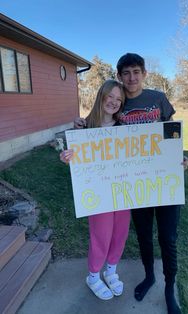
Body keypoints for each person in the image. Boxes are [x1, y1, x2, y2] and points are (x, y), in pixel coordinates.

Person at [75, 53, 188, 314]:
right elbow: (99, 128)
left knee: (168, 238)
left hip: (163, 180)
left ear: (144, 73)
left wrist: (178, 155)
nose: (131, 77)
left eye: (136, 72)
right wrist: (79, 128)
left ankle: (169, 288)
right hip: (134, 184)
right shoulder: (119, 103)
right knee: (144, 236)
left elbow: (171, 131)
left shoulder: (158, 98)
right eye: (126, 73)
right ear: (119, 76)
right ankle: (149, 277)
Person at [60, 80, 130, 301]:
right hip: (98, 193)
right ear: (101, 96)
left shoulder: (125, 128)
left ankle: (111, 270)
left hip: (122, 190)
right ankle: (93, 275)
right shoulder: (84, 127)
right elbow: (75, 158)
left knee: (120, 232)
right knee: (101, 234)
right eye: (111, 96)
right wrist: (66, 157)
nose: (114, 102)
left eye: (119, 99)